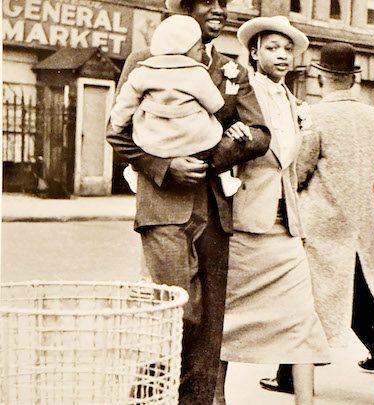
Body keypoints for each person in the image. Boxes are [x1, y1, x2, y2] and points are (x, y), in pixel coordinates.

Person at [106, 0, 271, 403]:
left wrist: (209, 158)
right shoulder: (146, 60)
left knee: (210, 327)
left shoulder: (231, 68)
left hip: (215, 211)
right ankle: (147, 396)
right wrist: (164, 166)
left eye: (223, 3)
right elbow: (118, 131)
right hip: (163, 207)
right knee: (179, 313)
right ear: (182, 7)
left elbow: (260, 133)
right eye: (206, 1)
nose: (218, 9)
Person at [259, 42, 374, 405]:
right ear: (354, 79)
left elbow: (300, 169)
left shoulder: (313, 115)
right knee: (360, 300)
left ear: (322, 76)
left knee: (300, 299)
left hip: (322, 223)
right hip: (362, 222)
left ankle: (289, 376)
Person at [214, 16, 331, 405]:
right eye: (271, 48)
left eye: (287, 49)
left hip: (286, 229)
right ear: (254, 52)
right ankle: (216, 399)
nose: (281, 55)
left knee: (302, 319)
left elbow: (291, 166)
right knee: (227, 322)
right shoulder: (241, 94)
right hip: (246, 226)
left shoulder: (294, 103)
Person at [110, 14, 241, 197]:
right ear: (186, 51)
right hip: (194, 141)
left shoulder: (143, 71)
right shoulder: (196, 73)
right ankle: (225, 177)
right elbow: (215, 104)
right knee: (214, 134)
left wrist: (118, 122)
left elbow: (125, 105)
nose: (201, 53)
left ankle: (133, 170)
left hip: (153, 141)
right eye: (198, 49)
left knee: (140, 134)